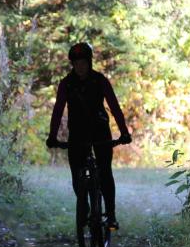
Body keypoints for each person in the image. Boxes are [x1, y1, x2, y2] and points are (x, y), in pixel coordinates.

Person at [46, 42, 132, 230]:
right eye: (76, 63)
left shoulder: (100, 80)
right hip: (77, 132)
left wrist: (124, 132)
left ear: (89, 62)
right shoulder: (66, 84)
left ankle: (110, 215)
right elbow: (58, 110)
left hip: (100, 129)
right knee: (77, 174)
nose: (80, 67)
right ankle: (83, 207)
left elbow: (114, 107)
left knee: (105, 171)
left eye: (83, 62)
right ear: (72, 65)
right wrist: (52, 136)